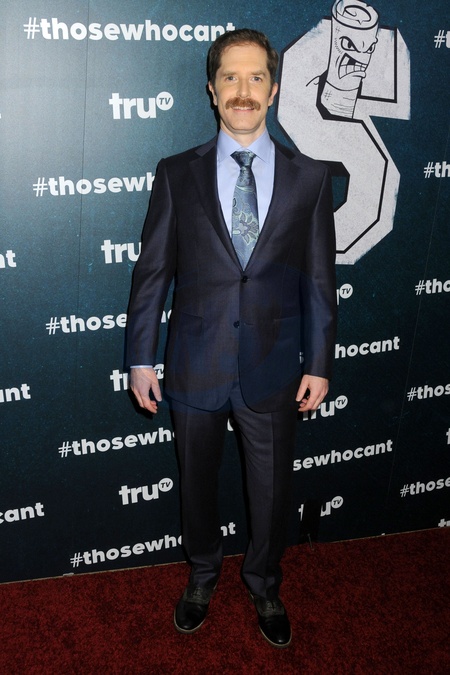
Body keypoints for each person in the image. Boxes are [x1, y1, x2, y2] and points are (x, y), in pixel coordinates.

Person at [126, 28, 337, 648]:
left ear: (274, 90)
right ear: (212, 90)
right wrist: (140, 357)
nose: (243, 91)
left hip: (275, 366)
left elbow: (320, 280)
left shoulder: (311, 177)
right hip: (195, 362)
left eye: (255, 78)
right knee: (196, 485)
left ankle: (265, 583)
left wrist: (320, 362)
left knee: (271, 493)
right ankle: (201, 575)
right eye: (230, 78)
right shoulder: (176, 173)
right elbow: (152, 273)